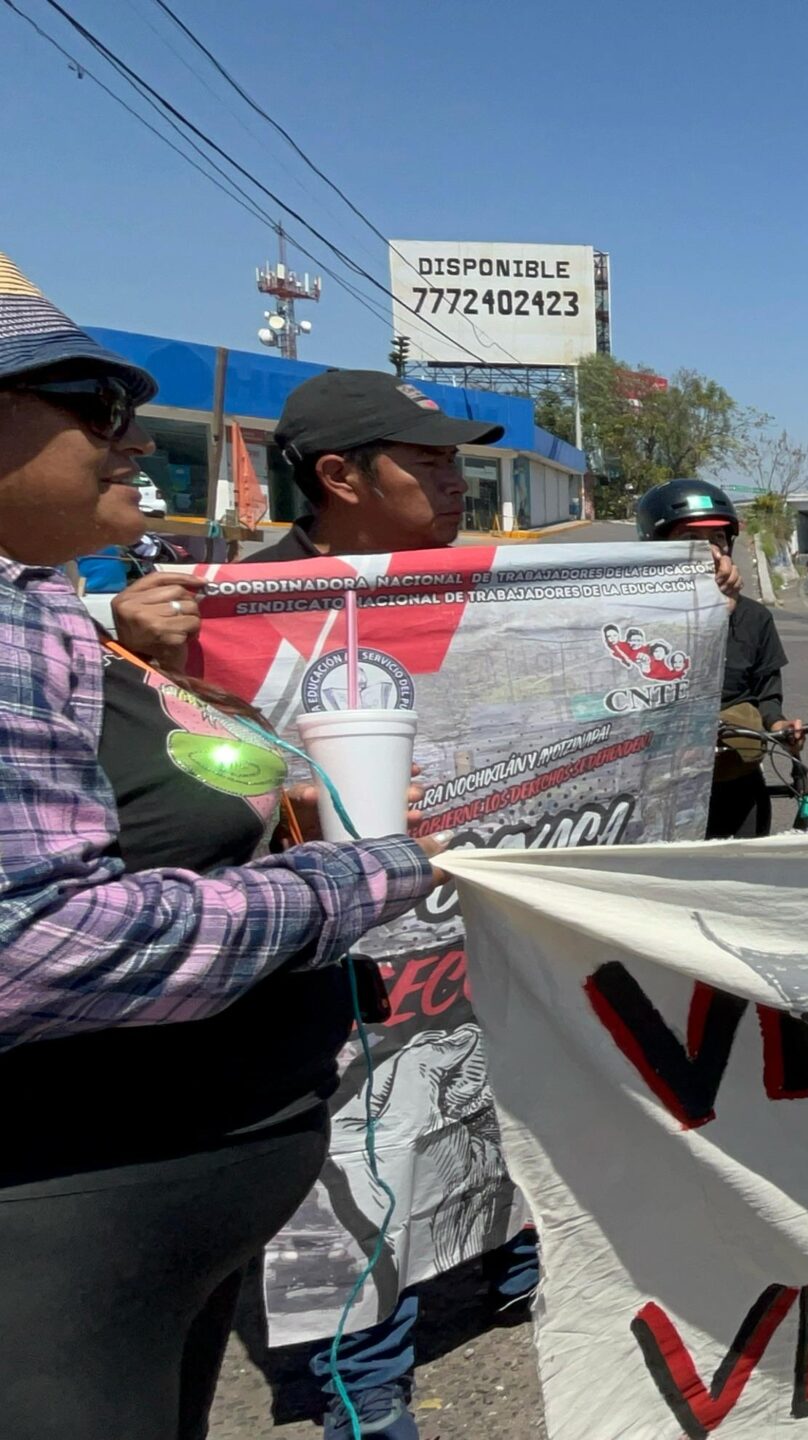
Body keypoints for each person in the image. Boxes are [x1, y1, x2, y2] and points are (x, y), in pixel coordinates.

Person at [0, 249, 438, 1439]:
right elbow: (30, 942)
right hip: (57, 1231)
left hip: (156, 1235)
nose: (136, 440)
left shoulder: (38, 602)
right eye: (97, 408)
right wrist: (358, 880)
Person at [107, 369, 503, 673]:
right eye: (430, 463)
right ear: (338, 477)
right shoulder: (229, 607)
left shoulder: (487, 591)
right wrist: (146, 658)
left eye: (451, 460)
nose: (459, 485)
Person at [635, 478, 799, 839]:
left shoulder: (756, 618)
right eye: (690, 541)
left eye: (718, 539)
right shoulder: (637, 620)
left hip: (736, 784)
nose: (710, 552)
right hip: (657, 791)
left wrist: (780, 728)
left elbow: (767, 695)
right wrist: (712, 619)